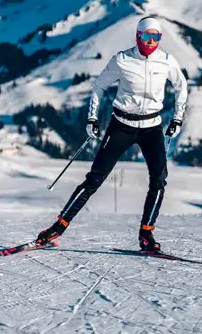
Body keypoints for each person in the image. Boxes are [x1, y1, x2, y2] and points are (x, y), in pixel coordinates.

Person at [35, 16, 188, 252]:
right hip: (122, 126)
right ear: (138, 36)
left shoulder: (166, 61)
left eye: (156, 36)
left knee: (159, 180)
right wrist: (92, 118)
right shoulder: (122, 60)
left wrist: (177, 118)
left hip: (151, 128)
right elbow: (98, 87)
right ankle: (58, 227)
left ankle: (146, 234)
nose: (151, 41)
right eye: (147, 35)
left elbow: (181, 87)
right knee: (94, 179)